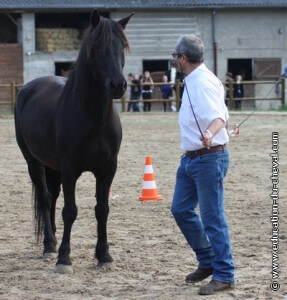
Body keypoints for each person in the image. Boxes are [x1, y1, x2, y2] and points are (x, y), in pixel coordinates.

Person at [170, 35, 235, 296]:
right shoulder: (194, 80)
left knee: (212, 218)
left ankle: (225, 274)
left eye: (175, 55)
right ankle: (207, 259)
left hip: (208, 158)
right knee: (181, 209)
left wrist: (210, 132)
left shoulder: (203, 83)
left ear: (183, 59)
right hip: (191, 159)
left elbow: (218, 116)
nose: (174, 59)